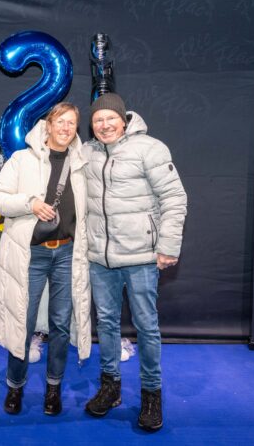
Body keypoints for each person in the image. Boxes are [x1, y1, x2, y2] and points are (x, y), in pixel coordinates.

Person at [82, 93, 187, 431]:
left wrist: (167, 245)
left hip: (141, 256)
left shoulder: (150, 149)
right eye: (98, 120)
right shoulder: (87, 153)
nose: (104, 125)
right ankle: (110, 387)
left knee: (146, 326)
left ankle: (151, 395)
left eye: (110, 118)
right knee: (106, 324)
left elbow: (174, 197)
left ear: (124, 120)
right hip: (100, 258)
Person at [0, 102, 92, 416]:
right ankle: (15, 387)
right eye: (60, 122)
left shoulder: (82, 163)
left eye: (71, 123)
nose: (65, 128)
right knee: (23, 322)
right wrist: (29, 203)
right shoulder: (22, 159)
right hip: (32, 253)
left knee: (61, 324)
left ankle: (53, 388)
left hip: (68, 253)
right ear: (48, 125)